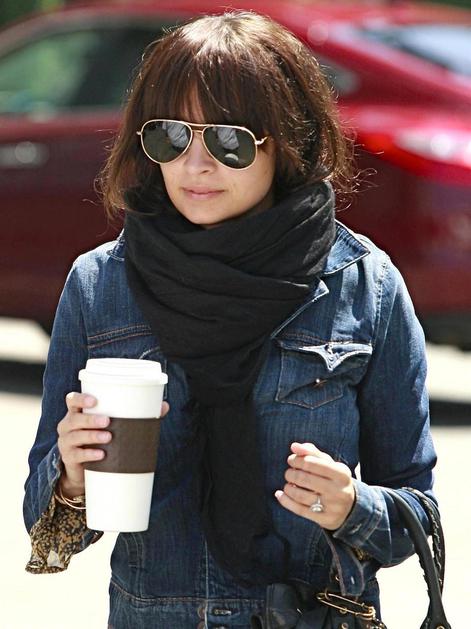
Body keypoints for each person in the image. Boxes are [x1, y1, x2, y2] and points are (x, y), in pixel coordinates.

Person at [23, 11, 437, 628]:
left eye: (228, 141)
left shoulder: (364, 285)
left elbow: (418, 517)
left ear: (286, 142)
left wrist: (352, 506)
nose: (196, 164)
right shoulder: (101, 284)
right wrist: (71, 481)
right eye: (171, 137)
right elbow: (46, 529)